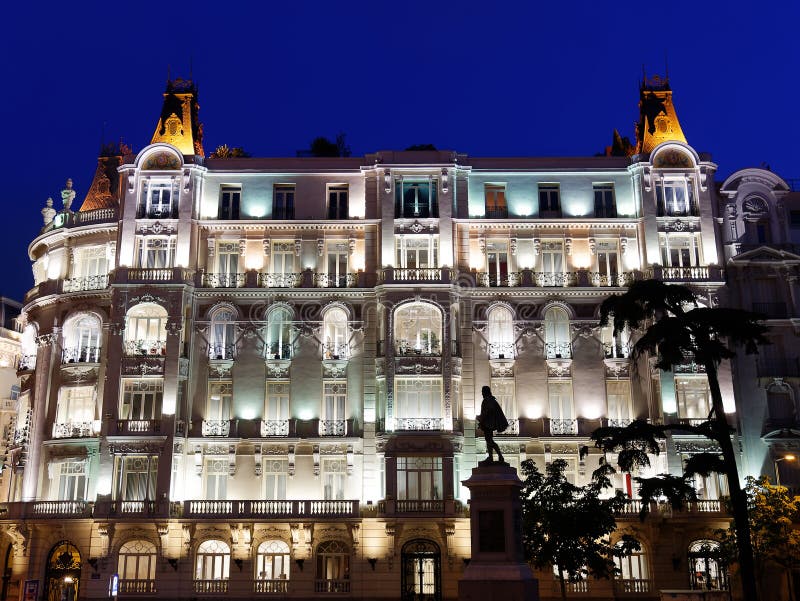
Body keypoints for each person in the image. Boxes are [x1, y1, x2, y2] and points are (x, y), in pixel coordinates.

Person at [477, 385, 509, 463]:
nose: (482, 393)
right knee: (489, 440)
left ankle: (499, 456)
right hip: (488, 424)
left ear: (486, 392)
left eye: (483, 392)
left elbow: (487, 411)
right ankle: (491, 457)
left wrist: (481, 418)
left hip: (488, 424)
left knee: (489, 440)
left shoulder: (488, 400)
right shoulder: (490, 400)